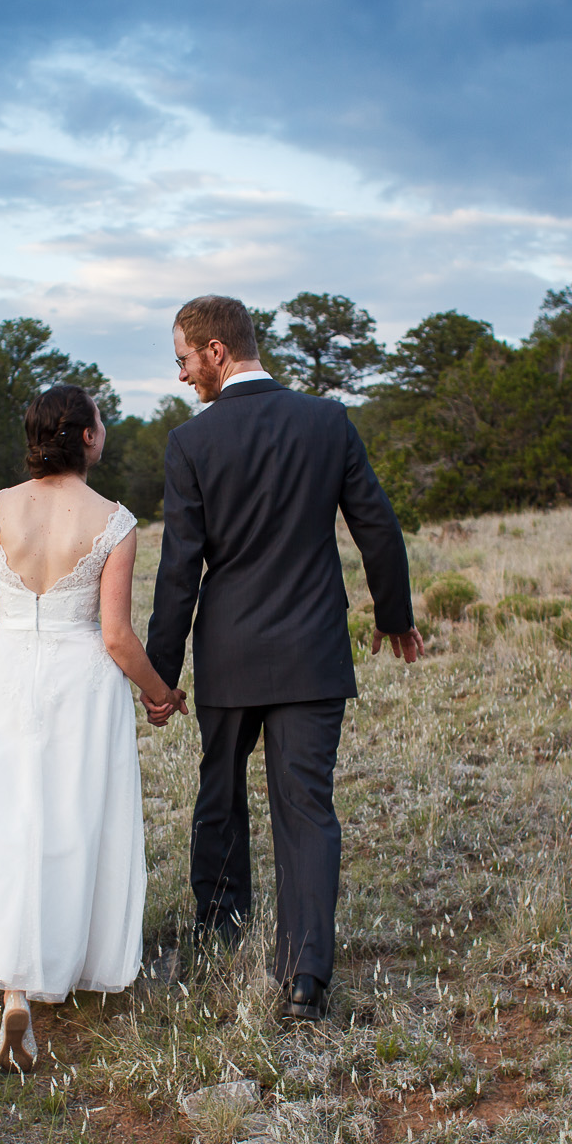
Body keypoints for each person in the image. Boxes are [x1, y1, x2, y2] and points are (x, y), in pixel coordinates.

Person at [145, 295, 423, 1025]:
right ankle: (306, 977)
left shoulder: (192, 445)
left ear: (215, 351)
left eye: (181, 358)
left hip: (231, 654)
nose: (180, 377)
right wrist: (395, 616)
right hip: (312, 651)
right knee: (306, 807)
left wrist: (159, 673)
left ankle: (220, 932)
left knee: (220, 795)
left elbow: (180, 571)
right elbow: (379, 526)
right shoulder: (326, 422)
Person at [0, 384, 188, 1072]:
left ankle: (14, 986)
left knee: (5, 818)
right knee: (67, 820)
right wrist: (160, 694)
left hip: (4, 675)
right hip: (79, 682)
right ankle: (54, 960)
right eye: (100, 419)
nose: (105, 426)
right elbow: (116, 636)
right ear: (85, 436)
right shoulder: (114, 521)